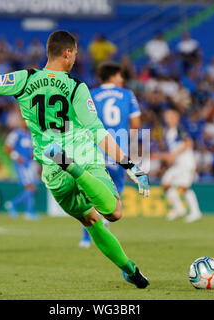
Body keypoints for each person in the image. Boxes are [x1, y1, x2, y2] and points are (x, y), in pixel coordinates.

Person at [0, 26, 150, 288]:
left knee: (91, 220)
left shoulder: (25, 79)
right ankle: (76, 170)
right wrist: (130, 165)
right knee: (113, 212)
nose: (75, 60)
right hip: (82, 156)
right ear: (68, 53)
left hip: (51, 167)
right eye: (75, 55)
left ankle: (130, 269)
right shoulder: (76, 87)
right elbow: (98, 132)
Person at [78, 62, 141, 248]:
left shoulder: (91, 94)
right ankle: (105, 223)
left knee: (91, 191)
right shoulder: (128, 94)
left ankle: (86, 236)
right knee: (115, 190)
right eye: (120, 76)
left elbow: (82, 121)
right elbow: (136, 123)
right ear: (113, 76)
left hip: (95, 149)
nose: (122, 79)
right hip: (117, 150)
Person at [152, 108, 202, 223]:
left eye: (170, 116)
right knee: (166, 182)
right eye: (166, 116)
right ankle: (179, 208)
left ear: (176, 117)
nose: (167, 118)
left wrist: (174, 155)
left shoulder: (180, 128)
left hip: (186, 162)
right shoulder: (168, 132)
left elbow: (189, 143)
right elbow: (172, 153)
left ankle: (195, 212)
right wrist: (159, 156)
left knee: (183, 187)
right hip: (178, 164)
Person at [4, 118, 39, 220]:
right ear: (21, 122)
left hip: (30, 165)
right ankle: (27, 211)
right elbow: (7, 147)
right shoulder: (16, 133)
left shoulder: (31, 135)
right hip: (21, 165)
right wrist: (16, 157)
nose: (26, 123)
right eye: (24, 121)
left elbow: (32, 151)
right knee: (30, 188)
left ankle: (15, 205)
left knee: (33, 189)